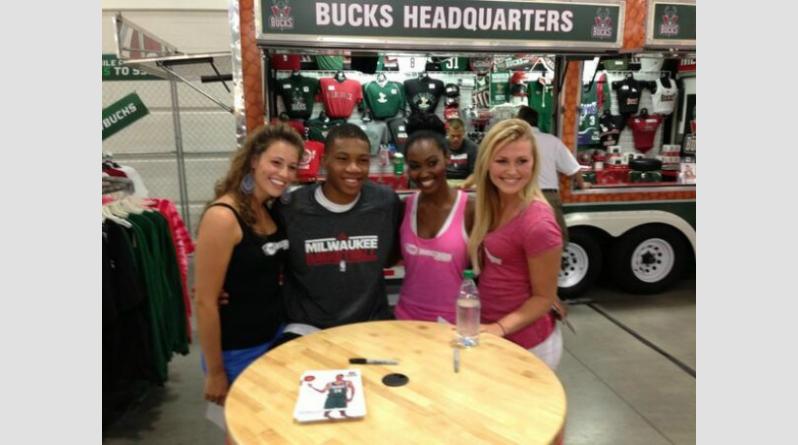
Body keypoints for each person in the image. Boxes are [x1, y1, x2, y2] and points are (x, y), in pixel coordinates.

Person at [194, 124, 303, 409]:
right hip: (236, 351)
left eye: (292, 167)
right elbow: (205, 302)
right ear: (254, 160)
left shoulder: (269, 209)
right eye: (276, 163)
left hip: (273, 340)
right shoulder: (223, 216)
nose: (284, 174)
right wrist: (216, 372)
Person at [274, 123, 403, 342]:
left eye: (362, 160)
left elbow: (392, 256)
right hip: (307, 328)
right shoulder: (290, 207)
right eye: (342, 159)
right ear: (325, 161)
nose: (353, 168)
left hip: (371, 324)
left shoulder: (386, 202)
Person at [467, 118, 564, 369]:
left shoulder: (538, 224)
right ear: (487, 163)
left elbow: (544, 298)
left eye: (522, 161)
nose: (512, 171)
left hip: (528, 346)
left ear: (534, 163)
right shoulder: (493, 204)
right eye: (502, 161)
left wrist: (498, 328)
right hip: (495, 337)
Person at [394, 126, 474, 323]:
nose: (424, 173)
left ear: (447, 158)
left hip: (454, 323)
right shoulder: (405, 207)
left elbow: (486, 271)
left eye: (432, 163)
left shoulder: (470, 209)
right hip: (406, 319)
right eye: (415, 166)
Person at [516, 105, 590, 246]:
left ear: (519, 122)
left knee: (524, 242)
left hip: (521, 196)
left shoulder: (514, 142)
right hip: (548, 197)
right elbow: (573, 168)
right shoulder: (551, 141)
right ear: (536, 121)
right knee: (555, 242)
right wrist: (582, 184)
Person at [444, 118, 480, 187]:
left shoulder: (472, 147)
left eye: (459, 136)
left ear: (463, 133)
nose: (456, 139)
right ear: (448, 133)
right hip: (445, 180)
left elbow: (475, 172)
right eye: (453, 136)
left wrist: (465, 184)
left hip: (466, 180)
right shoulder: (441, 146)